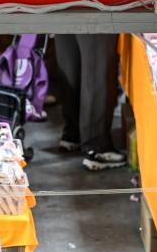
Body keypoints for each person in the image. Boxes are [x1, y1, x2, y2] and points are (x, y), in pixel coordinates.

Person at [54, 33, 127, 171]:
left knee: (70, 51)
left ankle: (73, 133)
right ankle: (97, 147)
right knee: (97, 62)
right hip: (98, 13)